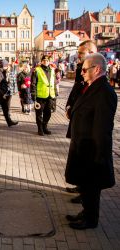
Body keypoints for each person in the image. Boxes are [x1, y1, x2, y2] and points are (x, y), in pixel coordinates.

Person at [65, 53, 117, 230]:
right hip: (83, 146)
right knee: (86, 186)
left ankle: (90, 219)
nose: (82, 73)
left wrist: (98, 155)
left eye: (85, 70)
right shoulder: (91, 86)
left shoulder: (104, 92)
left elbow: (102, 127)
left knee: (92, 188)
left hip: (92, 149)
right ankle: (85, 212)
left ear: (97, 69)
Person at [65, 40, 97, 200]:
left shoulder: (96, 77)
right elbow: (76, 90)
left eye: (80, 54)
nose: (77, 57)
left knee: (84, 161)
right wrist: (69, 106)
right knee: (77, 159)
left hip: (87, 129)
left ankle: (84, 192)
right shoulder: (81, 70)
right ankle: (80, 187)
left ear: (91, 53)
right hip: (77, 121)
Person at [0, 59, 18, 130]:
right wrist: (2, 94)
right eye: (7, 65)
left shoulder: (3, 72)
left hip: (4, 93)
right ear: (4, 65)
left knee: (5, 109)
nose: (8, 66)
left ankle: (9, 122)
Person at [31, 55, 56, 136]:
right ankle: (40, 129)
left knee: (48, 113)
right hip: (40, 97)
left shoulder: (52, 70)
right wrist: (33, 95)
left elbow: (54, 83)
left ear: (49, 61)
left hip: (50, 96)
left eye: (47, 60)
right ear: (41, 61)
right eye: (44, 60)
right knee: (39, 114)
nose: (46, 62)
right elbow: (33, 84)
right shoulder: (37, 70)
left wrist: (55, 94)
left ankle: (45, 127)